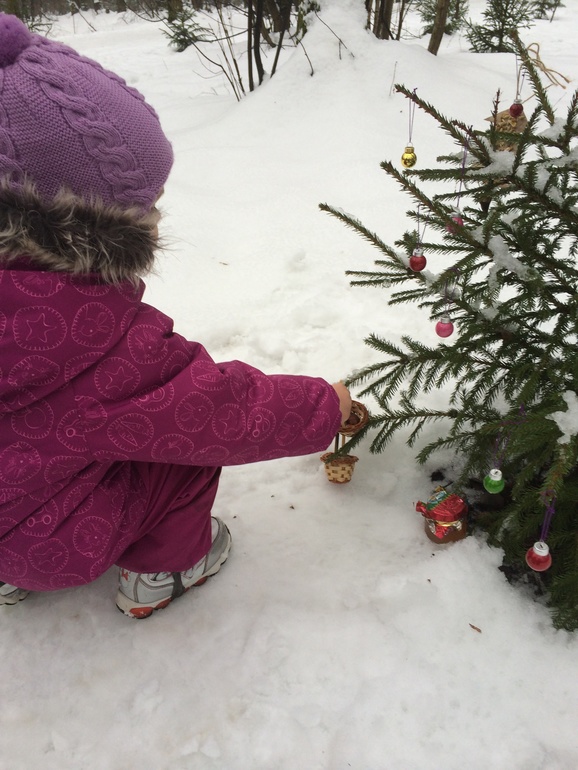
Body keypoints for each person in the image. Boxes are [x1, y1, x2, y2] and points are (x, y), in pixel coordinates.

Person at [0, 14, 352, 618]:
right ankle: (165, 573)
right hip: (47, 546)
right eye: (143, 204)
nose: (157, 213)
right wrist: (326, 406)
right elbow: (217, 411)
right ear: (82, 226)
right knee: (182, 452)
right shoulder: (82, 335)